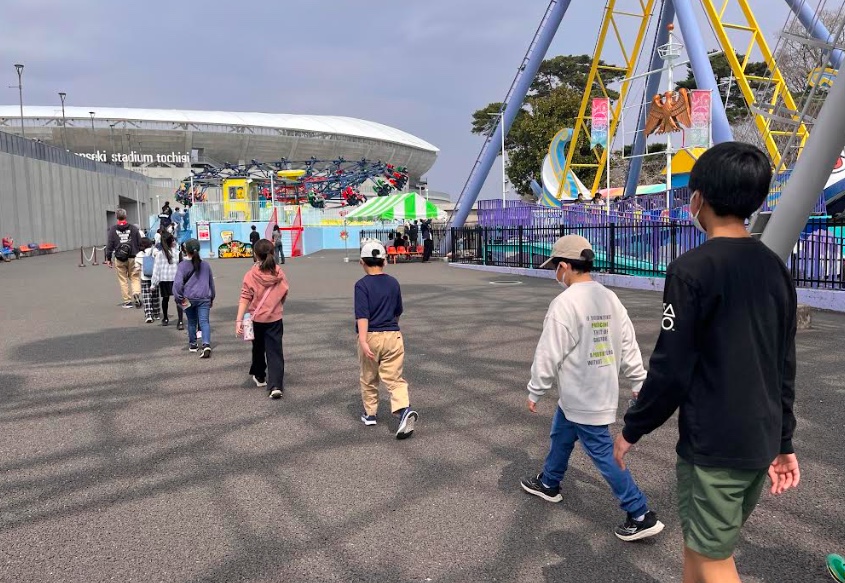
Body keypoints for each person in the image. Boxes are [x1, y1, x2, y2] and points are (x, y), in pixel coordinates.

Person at [613, 142, 800, 583]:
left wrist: (632, 428)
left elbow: (671, 367)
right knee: (700, 545)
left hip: (715, 443)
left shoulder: (692, 270)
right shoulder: (774, 268)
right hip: (759, 437)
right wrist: (784, 441)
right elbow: (783, 363)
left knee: (713, 558)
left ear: (698, 198)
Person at [520, 234, 664, 542]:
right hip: (595, 390)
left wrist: (536, 389)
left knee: (603, 454)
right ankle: (549, 482)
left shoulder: (564, 303)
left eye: (555, 269)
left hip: (582, 394)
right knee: (561, 433)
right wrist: (637, 379)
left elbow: (549, 352)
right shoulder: (608, 297)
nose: (555, 275)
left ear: (564, 267)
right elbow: (628, 341)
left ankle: (640, 513)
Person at [355, 241, 418, 438]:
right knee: (394, 377)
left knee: (368, 376)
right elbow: (398, 311)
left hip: (371, 335)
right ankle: (403, 409)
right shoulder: (393, 283)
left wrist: (363, 340)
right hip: (393, 335)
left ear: (362, 262)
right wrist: (392, 327)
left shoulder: (361, 285)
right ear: (385, 261)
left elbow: (362, 315)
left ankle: (370, 413)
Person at [236, 239, 289, 399]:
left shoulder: (251, 275)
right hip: (274, 318)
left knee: (258, 348)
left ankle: (259, 375)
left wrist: (238, 320)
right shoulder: (279, 273)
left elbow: (245, 297)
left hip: (256, 319)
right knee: (275, 351)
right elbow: (284, 292)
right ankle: (276, 385)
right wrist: (276, 305)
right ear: (272, 253)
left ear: (255, 254)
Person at [173, 239, 215, 358]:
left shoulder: (182, 266)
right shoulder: (205, 265)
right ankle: (206, 344)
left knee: (191, 321)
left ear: (186, 250)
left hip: (188, 298)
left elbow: (177, 284)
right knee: (204, 321)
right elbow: (211, 283)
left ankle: (193, 344)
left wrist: (179, 297)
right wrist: (212, 297)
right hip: (204, 297)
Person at [105, 208, 143, 309]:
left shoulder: (113, 229)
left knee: (123, 279)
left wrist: (108, 258)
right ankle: (136, 293)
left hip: (120, 258)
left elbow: (109, 245)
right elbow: (140, 243)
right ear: (125, 216)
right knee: (135, 277)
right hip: (133, 257)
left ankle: (127, 301)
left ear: (116, 217)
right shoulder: (133, 228)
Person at [151, 232, 182, 328]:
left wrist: (153, 283)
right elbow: (182, 267)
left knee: (165, 299)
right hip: (175, 279)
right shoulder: (177, 253)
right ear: (172, 241)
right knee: (178, 300)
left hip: (164, 279)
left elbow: (156, 269)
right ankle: (180, 321)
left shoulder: (159, 254)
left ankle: (165, 318)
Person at [135, 237, 161, 324]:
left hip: (144, 277)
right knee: (155, 296)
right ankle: (156, 313)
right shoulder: (155, 251)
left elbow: (137, 268)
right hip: (155, 277)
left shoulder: (139, 254)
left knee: (146, 297)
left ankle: (149, 315)